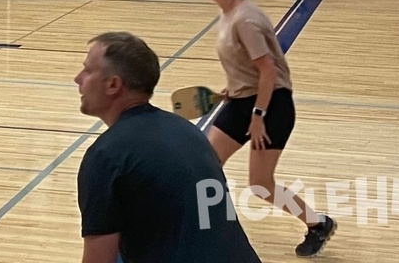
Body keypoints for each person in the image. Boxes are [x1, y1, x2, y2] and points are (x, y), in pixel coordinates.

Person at [75, 31, 261, 263]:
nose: (78, 78)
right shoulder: (188, 131)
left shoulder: (106, 157)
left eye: (88, 70)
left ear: (113, 85)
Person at [204, 0, 336, 258]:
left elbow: (269, 72)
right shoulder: (228, 13)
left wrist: (258, 116)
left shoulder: (246, 20)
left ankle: (319, 224)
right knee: (205, 164)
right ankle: (212, 229)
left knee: (260, 185)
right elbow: (249, 67)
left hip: (271, 105)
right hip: (243, 99)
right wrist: (234, 87)